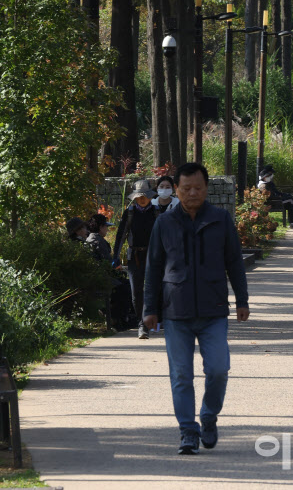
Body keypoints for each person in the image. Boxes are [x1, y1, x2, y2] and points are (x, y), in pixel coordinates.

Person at [143, 162, 249, 456]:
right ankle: (188, 431)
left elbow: (235, 262)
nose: (192, 193)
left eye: (198, 188)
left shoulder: (220, 218)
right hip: (175, 310)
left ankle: (209, 416)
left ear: (206, 188)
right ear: (175, 189)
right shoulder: (164, 222)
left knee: (218, 369)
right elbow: (152, 268)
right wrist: (149, 309)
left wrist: (242, 300)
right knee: (181, 375)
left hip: (213, 309)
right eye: (186, 188)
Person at [112, 179, 159, 339]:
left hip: (154, 257)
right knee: (136, 292)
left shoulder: (157, 213)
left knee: (152, 291)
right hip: (135, 257)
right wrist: (116, 257)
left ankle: (149, 322)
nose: (142, 199)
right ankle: (142, 323)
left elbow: (165, 237)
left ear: (151, 197)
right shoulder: (130, 213)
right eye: (139, 197)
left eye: (145, 196)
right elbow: (121, 235)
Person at [86, 213, 135, 331]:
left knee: (125, 285)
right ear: (101, 227)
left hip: (98, 275)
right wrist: (120, 268)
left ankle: (119, 316)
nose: (107, 230)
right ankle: (117, 318)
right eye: (106, 227)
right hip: (101, 277)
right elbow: (108, 263)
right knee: (125, 288)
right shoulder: (98, 241)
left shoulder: (90, 238)